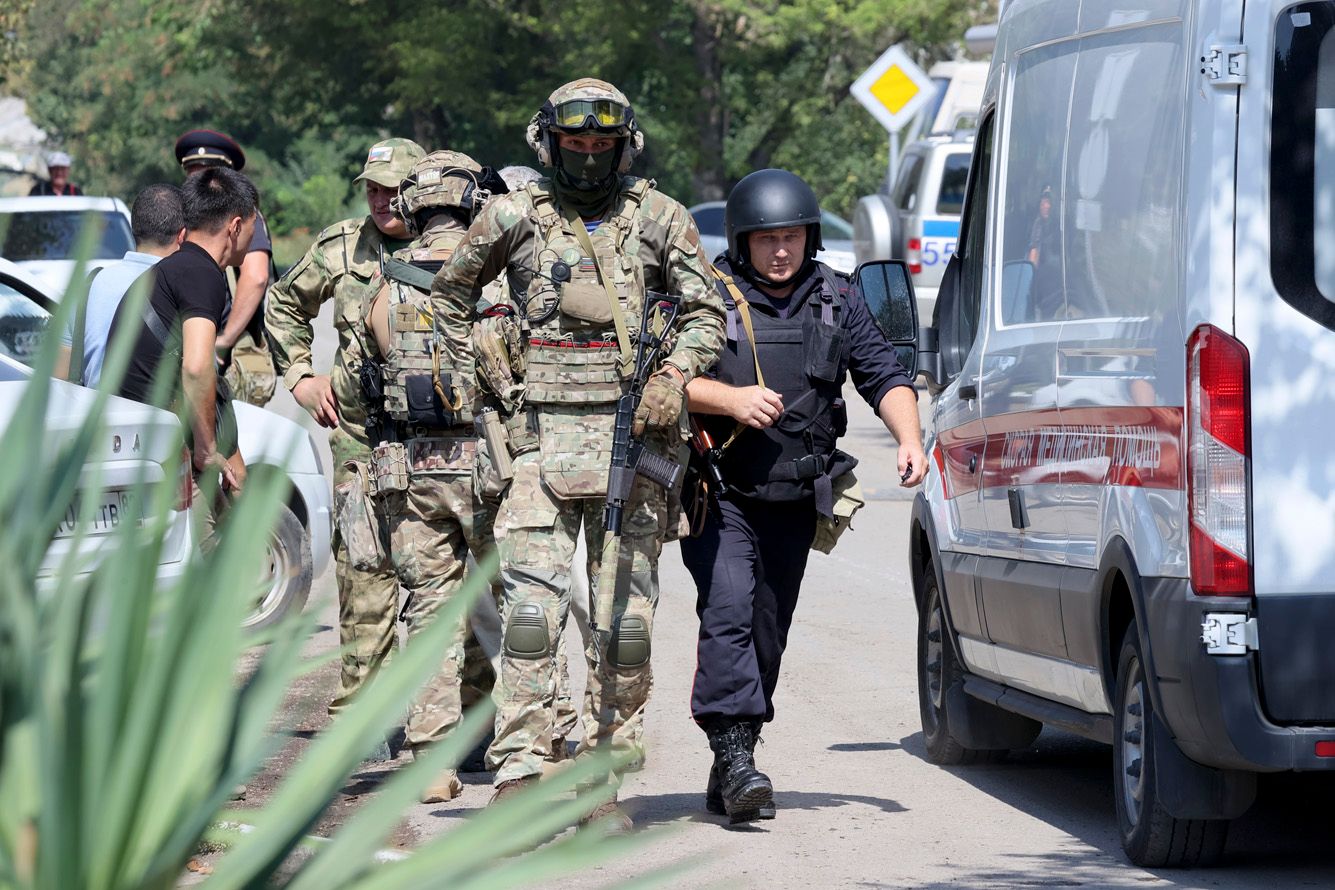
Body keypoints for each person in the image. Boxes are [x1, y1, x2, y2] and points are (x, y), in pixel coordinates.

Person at [429, 78, 726, 830]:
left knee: (624, 628)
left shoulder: (660, 218)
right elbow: (448, 296)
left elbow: (706, 312)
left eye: (601, 144)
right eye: (575, 144)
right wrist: (473, 386)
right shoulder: (514, 216)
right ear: (549, 143)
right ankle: (519, 775)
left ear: (624, 147)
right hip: (539, 447)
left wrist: (673, 375)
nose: (588, 157)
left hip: (635, 449)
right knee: (531, 616)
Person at [681, 168, 927, 824]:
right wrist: (730, 399)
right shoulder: (707, 295)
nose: (780, 250)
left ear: (809, 237)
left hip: (795, 497)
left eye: (791, 237)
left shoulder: (837, 298)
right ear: (742, 241)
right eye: (767, 239)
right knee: (728, 609)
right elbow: (665, 379)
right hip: (720, 492)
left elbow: (883, 374)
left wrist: (909, 439)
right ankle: (736, 757)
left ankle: (733, 758)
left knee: (766, 627)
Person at [354, 150, 515, 801]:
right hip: (492, 465)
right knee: (516, 607)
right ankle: (524, 743)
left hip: (414, 470)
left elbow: (358, 380)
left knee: (428, 612)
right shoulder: (498, 277)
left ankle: (431, 760)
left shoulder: (382, 284)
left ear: (412, 207)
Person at [264, 138, 425, 728]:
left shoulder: (456, 243)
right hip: (361, 439)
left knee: (448, 580)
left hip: (440, 444)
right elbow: (283, 304)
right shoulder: (342, 245)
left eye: (394, 189)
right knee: (363, 572)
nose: (381, 200)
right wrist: (300, 377)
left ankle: (457, 716)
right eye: (373, 189)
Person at [109, 166, 259, 509]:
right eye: (255, 226)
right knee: (211, 541)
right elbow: (196, 367)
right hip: (159, 452)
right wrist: (206, 451)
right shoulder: (201, 274)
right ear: (236, 226)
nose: (255, 237)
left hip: (135, 442)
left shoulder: (174, 268)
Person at [174, 128, 277, 406]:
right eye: (192, 171)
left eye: (207, 173)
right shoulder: (185, 217)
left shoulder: (242, 215)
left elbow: (256, 276)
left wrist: (224, 341)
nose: (198, 180)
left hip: (229, 353)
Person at [56, 184, 185, 385]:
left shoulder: (88, 285)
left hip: (91, 405)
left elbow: (60, 374)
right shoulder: (186, 292)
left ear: (134, 229)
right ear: (182, 235)